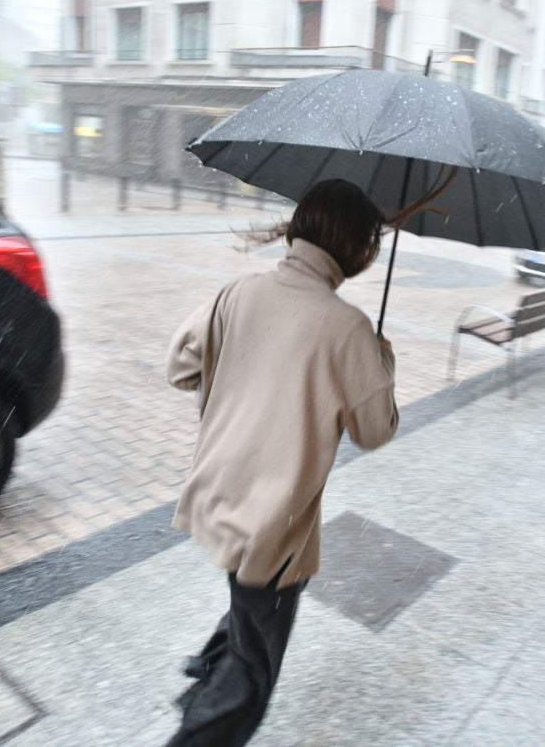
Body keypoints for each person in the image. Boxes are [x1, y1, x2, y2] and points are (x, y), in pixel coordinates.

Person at [165, 178, 400, 746]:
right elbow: (374, 431)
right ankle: (202, 717)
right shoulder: (347, 328)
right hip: (273, 520)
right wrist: (381, 363)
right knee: (253, 671)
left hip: (217, 488)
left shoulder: (239, 292)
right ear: (354, 246)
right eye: (371, 241)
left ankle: (204, 678)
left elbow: (181, 368)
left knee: (250, 611)